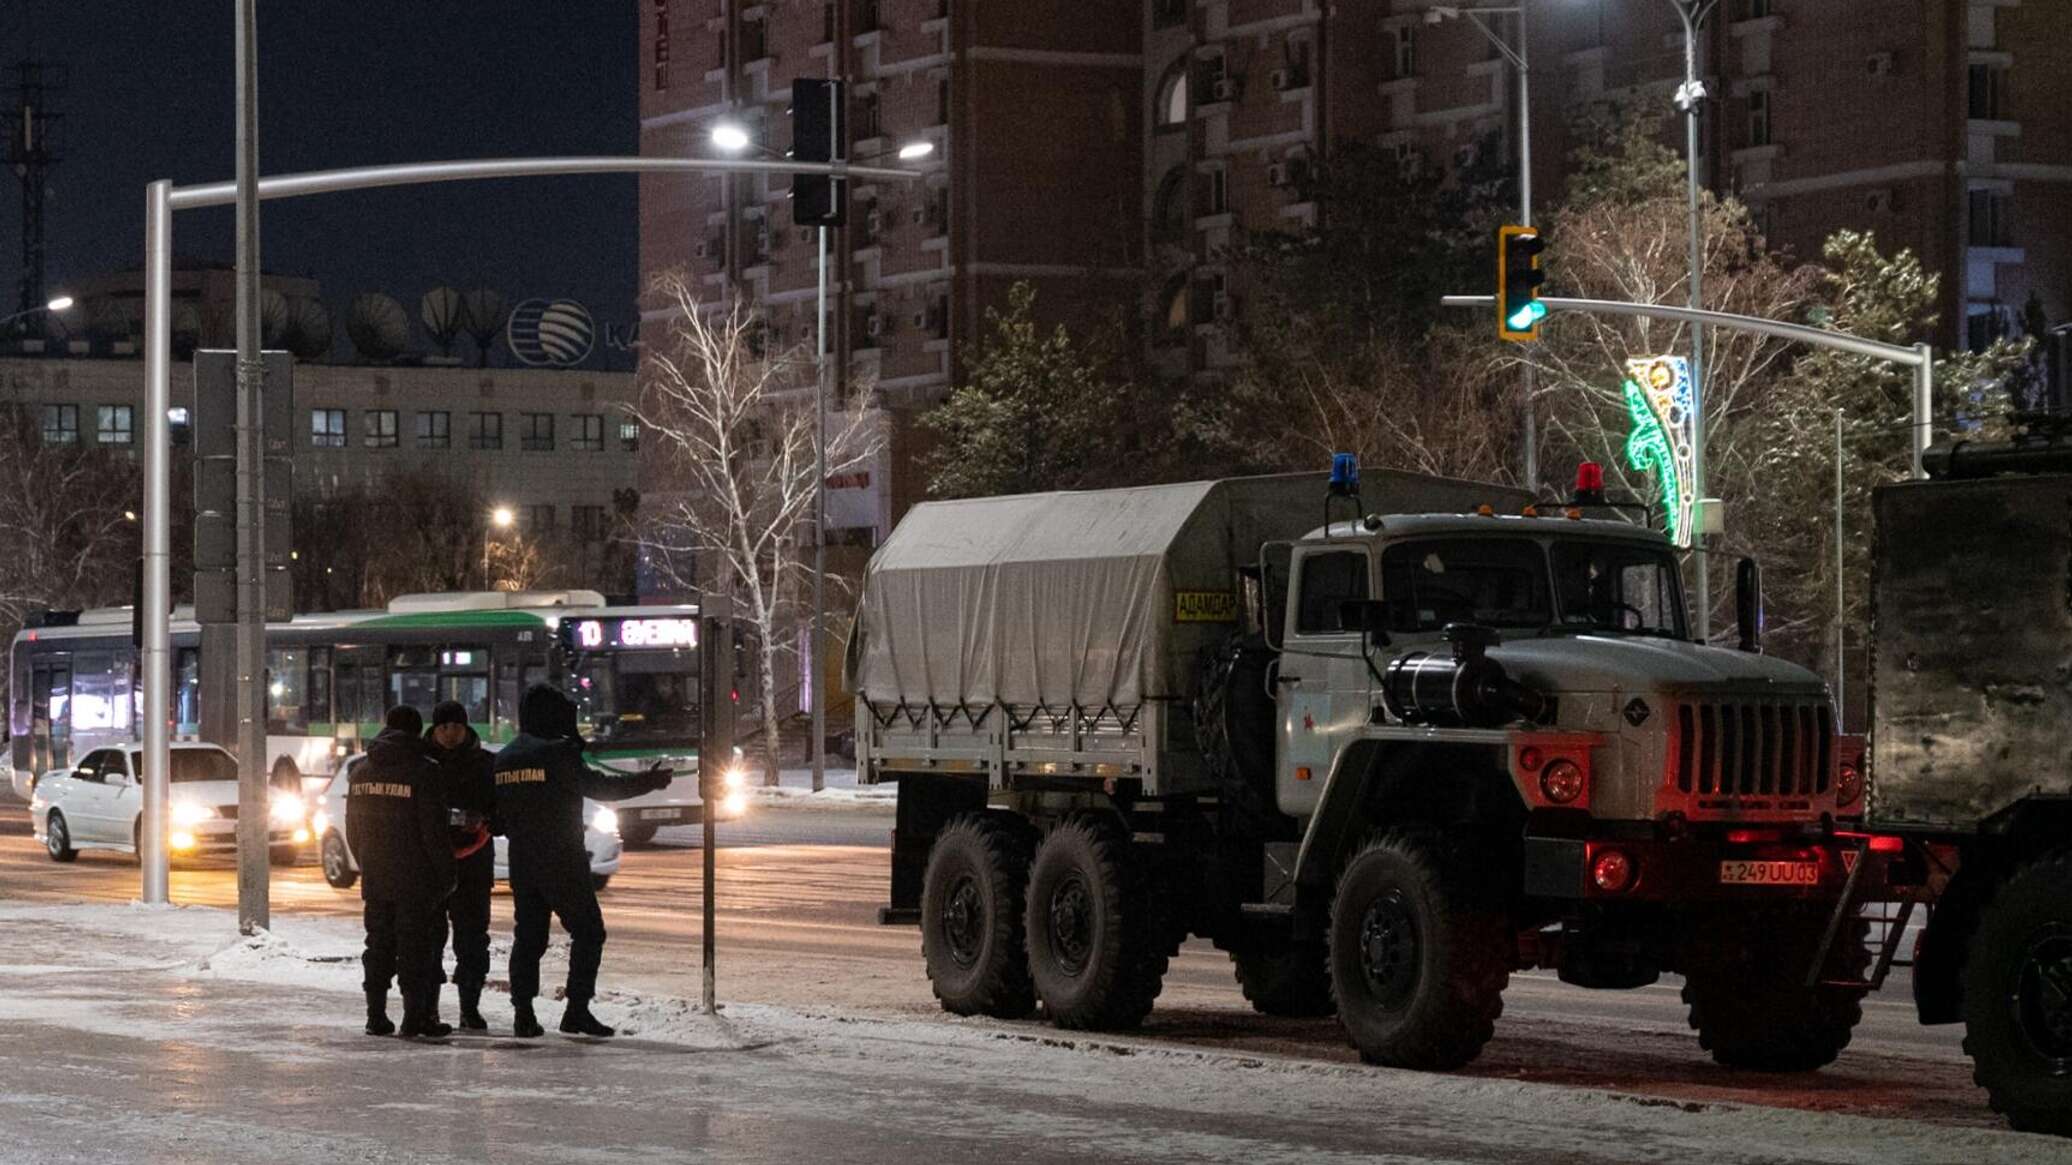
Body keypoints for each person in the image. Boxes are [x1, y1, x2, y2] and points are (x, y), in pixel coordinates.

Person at [494, 683, 670, 1038]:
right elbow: (602, 787)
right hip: (561, 857)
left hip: (522, 860)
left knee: (529, 937)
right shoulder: (557, 753)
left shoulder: (506, 757)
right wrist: (649, 781)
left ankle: (523, 1013)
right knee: (589, 931)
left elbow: (497, 814)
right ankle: (577, 1009)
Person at [349, 705, 456, 1039]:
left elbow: (353, 830)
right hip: (416, 879)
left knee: (378, 944)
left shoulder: (361, 772)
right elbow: (433, 832)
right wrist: (447, 874)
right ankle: (414, 1018)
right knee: (416, 947)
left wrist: (367, 863)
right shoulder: (425, 771)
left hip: (376, 876)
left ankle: (375, 1016)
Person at [426, 700, 496, 1032]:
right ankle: (430, 1009)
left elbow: (500, 809)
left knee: (472, 939)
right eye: (444, 727)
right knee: (428, 939)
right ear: (434, 729)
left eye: (456, 727)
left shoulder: (486, 765)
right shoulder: (421, 764)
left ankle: (470, 1007)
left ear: (466, 728)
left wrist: (484, 820)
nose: (450, 734)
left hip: (475, 866)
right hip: (432, 866)